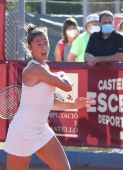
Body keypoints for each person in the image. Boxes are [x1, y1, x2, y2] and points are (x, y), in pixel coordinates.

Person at [4, 23, 94, 170]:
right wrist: (63, 75)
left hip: (41, 130)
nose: (44, 47)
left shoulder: (45, 68)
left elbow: (48, 101)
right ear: (30, 48)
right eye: (38, 44)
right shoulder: (34, 69)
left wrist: (73, 105)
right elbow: (67, 86)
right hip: (22, 132)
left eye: (45, 43)